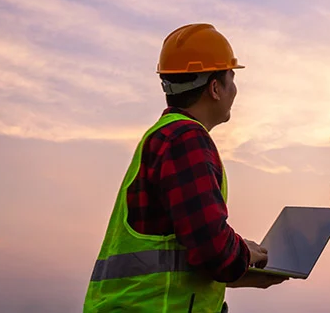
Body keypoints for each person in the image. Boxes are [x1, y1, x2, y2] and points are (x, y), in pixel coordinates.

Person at [84, 23, 287, 313]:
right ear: (215, 88)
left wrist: (251, 273)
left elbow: (186, 256)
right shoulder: (186, 140)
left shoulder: (165, 136)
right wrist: (244, 252)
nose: (235, 89)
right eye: (231, 76)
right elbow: (212, 248)